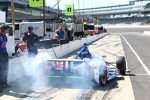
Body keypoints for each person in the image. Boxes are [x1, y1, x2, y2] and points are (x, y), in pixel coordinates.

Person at [0, 25, 11, 92]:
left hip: (4, 54)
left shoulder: (5, 36)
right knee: (1, 70)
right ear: (4, 29)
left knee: (6, 69)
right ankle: (1, 85)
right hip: (0, 54)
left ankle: (5, 83)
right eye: (7, 29)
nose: (8, 31)